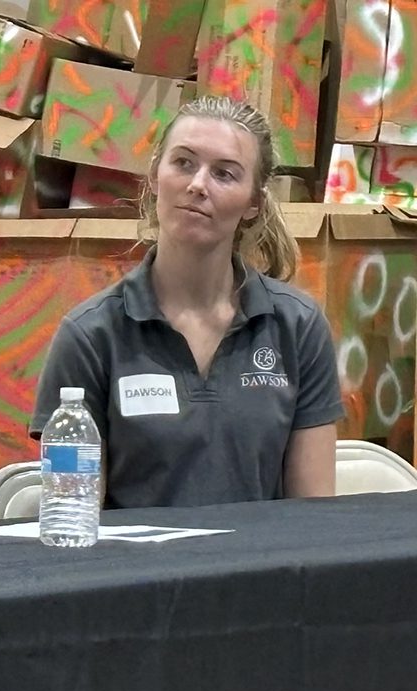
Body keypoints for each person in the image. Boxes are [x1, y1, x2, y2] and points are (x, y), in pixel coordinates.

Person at [30, 96, 344, 508]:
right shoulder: (91, 335)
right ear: (156, 176)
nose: (198, 184)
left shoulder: (297, 327)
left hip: (263, 570)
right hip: (136, 572)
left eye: (224, 174)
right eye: (183, 163)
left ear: (254, 204)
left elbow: (313, 519)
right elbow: (71, 520)